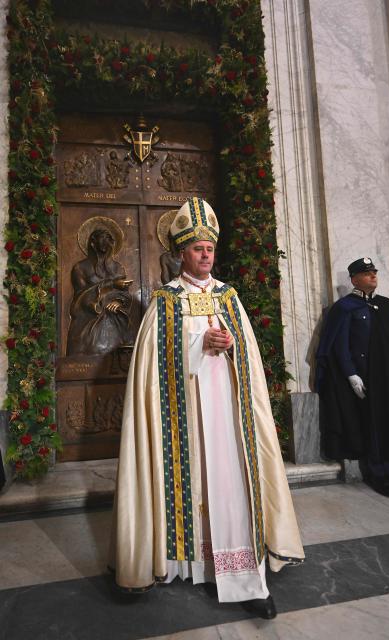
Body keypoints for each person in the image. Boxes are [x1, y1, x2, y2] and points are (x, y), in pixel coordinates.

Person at [109, 197, 304, 619]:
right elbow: (152, 365)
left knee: (230, 485)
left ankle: (245, 578)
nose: (205, 256)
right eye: (197, 249)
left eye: (210, 249)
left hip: (226, 418)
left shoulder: (228, 297)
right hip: (181, 419)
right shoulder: (165, 300)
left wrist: (230, 346)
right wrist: (199, 345)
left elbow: (248, 358)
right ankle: (186, 563)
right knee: (188, 484)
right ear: (181, 253)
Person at [316, 257, 389, 497]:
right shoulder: (345, 307)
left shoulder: (386, 305)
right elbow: (339, 346)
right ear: (354, 279)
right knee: (373, 425)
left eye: (374, 272)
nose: (373, 276)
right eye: (367, 273)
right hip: (365, 379)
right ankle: (377, 473)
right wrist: (351, 375)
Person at [67, 221, 133, 356]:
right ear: (93, 241)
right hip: (88, 320)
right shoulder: (80, 268)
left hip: (114, 318)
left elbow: (125, 293)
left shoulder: (117, 267)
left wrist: (119, 301)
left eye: (109, 238)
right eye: (102, 237)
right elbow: (81, 297)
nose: (106, 241)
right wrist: (111, 284)